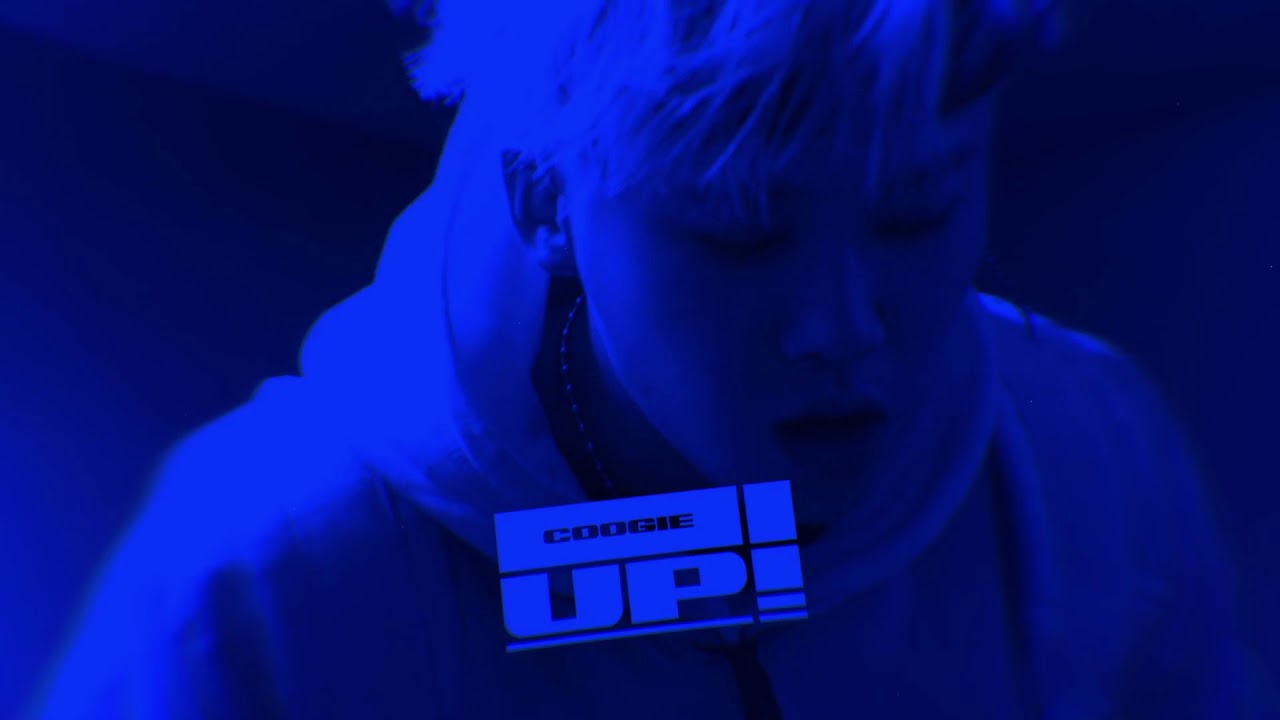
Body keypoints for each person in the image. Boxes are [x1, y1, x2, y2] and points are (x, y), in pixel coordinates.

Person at [25, 0, 1275, 718]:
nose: (842, 327)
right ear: (543, 197)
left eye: (916, 211)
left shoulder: (1097, 469)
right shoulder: (262, 583)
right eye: (738, 232)